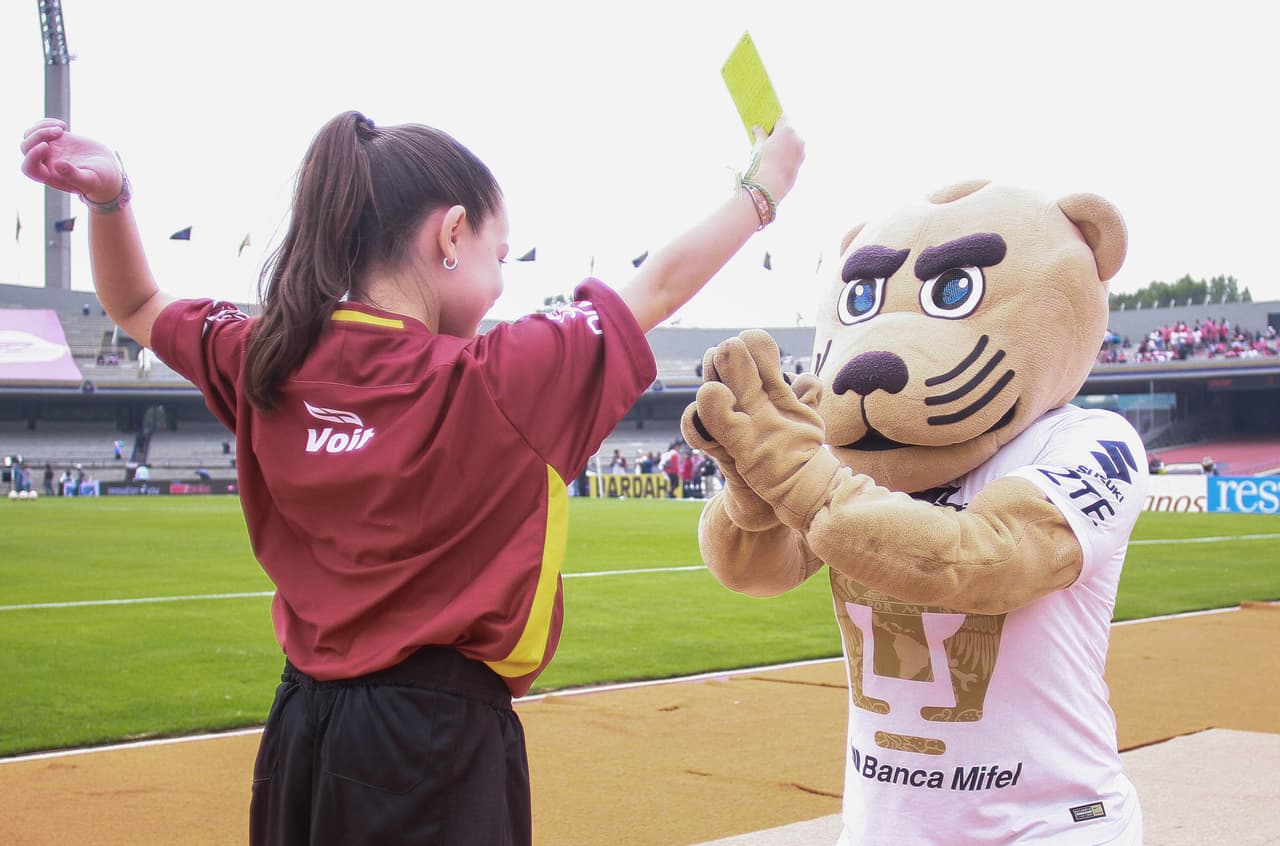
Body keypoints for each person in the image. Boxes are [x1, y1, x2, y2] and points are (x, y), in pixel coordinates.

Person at [21, 110, 803, 845]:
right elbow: (657, 287)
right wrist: (762, 189)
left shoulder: (269, 353)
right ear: (451, 234)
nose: (501, 285)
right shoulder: (500, 378)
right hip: (434, 741)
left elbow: (134, 302)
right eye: (500, 256)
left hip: (298, 731)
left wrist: (114, 197)